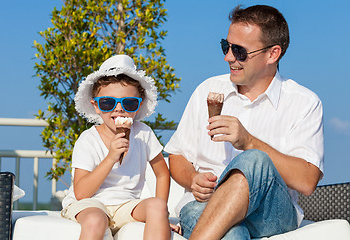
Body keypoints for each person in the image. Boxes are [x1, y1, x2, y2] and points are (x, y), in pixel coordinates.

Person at [164, 5, 324, 240]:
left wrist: (249, 141)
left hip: (269, 214)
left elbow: (308, 180)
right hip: (203, 204)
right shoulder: (207, 90)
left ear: (273, 54)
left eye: (239, 51)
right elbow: (177, 156)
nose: (228, 57)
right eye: (225, 46)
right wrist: (192, 179)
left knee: (254, 159)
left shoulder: (304, 102)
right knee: (232, 234)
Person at [61, 55, 173, 240]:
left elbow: (162, 173)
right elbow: (81, 193)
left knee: (157, 206)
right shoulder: (88, 139)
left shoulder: (143, 133)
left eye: (129, 103)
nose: (119, 109)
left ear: (139, 105)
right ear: (96, 106)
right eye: (108, 103)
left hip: (127, 204)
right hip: (91, 204)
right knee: (96, 219)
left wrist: (160, 217)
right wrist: (111, 157)